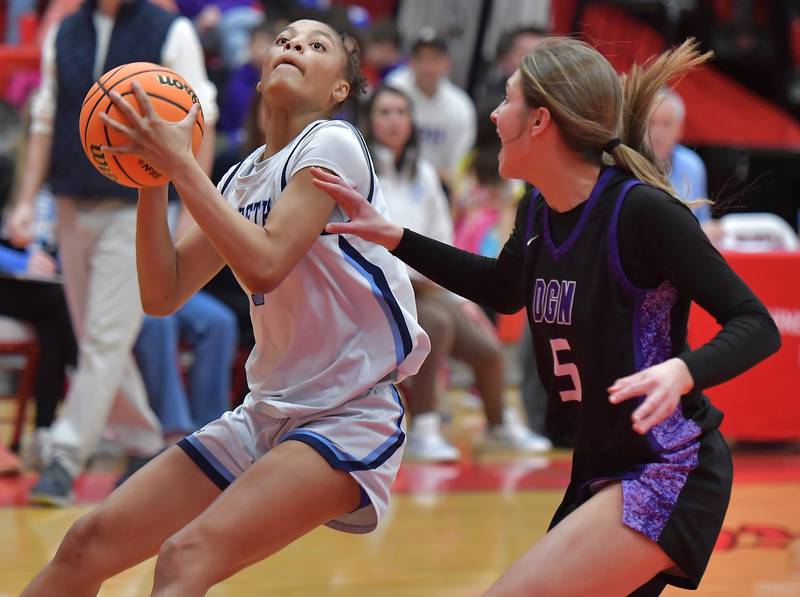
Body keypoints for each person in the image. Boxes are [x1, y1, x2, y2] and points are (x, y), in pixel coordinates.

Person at [312, 38, 781, 595]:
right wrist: (396, 237)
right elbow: (504, 288)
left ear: (539, 121)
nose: (493, 114)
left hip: (667, 467)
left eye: (506, 100)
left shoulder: (641, 213)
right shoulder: (538, 209)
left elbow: (756, 322)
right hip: (599, 465)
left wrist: (682, 371)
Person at [20, 18, 429, 596]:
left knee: (185, 560)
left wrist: (182, 163)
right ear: (261, 75)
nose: (294, 47)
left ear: (341, 88)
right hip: (265, 411)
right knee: (88, 543)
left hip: (348, 412)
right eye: (286, 41)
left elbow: (266, 263)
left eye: (317, 46)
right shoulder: (241, 179)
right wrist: (151, 177)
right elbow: (162, 294)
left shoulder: (333, 143)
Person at [6, 0, 218, 506]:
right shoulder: (64, 32)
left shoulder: (173, 32)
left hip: (136, 209)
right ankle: (146, 440)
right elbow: (44, 120)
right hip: (70, 203)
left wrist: (194, 211)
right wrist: (23, 202)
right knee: (95, 335)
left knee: (103, 337)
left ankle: (65, 454)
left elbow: (198, 119)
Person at [367, 85, 550, 461]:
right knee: (436, 322)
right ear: (369, 121)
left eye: (401, 112)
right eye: (384, 112)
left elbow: (442, 240)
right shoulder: (363, 171)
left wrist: (460, 298)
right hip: (380, 290)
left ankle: (499, 425)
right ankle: (426, 426)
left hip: (429, 287)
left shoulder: (425, 175)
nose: (394, 120)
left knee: (486, 346)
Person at [386, 28, 476, 184]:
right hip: (390, 177)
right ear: (411, 62)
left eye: (435, 59)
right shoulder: (394, 90)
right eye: (422, 59)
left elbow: (458, 167)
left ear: (447, 63)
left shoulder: (461, 106)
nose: (428, 67)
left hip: (438, 185)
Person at [648, 87, 711, 224]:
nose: (657, 133)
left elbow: (704, 221)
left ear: (680, 129)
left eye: (667, 124)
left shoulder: (692, 166)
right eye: (650, 123)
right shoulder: (624, 166)